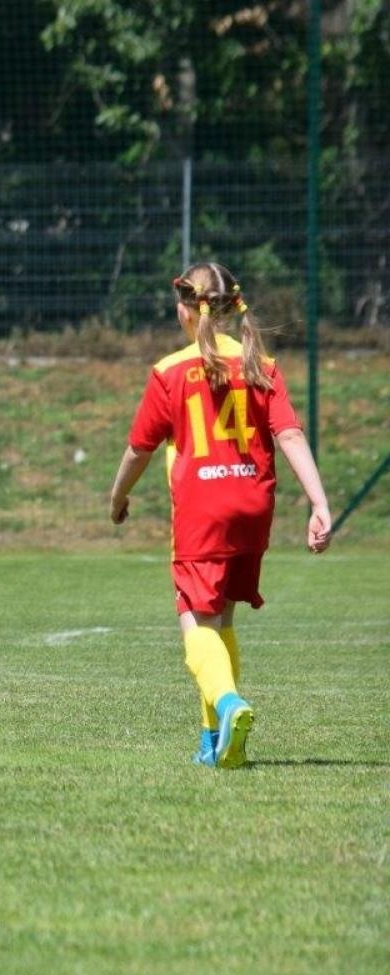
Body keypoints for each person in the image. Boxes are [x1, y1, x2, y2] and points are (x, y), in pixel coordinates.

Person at [108, 262, 332, 770]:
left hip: (203, 512)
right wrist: (319, 503)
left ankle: (229, 706)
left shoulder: (170, 371)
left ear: (187, 309)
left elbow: (138, 449)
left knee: (194, 622)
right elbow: (290, 435)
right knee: (220, 621)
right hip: (253, 509)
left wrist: (117, 498)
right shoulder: (260, 363)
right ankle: (215, 742)